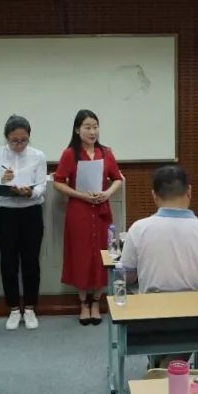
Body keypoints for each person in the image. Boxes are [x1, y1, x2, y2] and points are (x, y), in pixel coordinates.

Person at [53, 109, 124, 325]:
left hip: (102, 211)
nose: (92, 132)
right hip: (79, 211)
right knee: (81, 256)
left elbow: (117, 178)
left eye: (95, 127)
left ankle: (96, 302)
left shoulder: (106, 152)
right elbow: (58, 182)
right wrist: (81, 195)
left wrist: (107, 193)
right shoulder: (69, 154)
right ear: (77, 130)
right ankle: (83, 303)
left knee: (103, 255)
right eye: (87, 127)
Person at [0, 115, 47, 331]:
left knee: (31, 261)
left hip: (31, 212)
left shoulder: (38, 156)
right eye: (14, 141)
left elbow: (42, 186)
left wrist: (30, 192)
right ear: (6, 138)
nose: (19, 145)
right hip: (6, 214)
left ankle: (29, 308)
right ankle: (13, 309)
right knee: (9, 262)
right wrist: (3, 181)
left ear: (29, 137)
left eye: (24, 140)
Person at [120, 165, 198, 294]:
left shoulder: (138, 229)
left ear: (154, 195)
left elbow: (126, 276)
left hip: (152, 306)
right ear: (189, 191)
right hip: (197, 306)